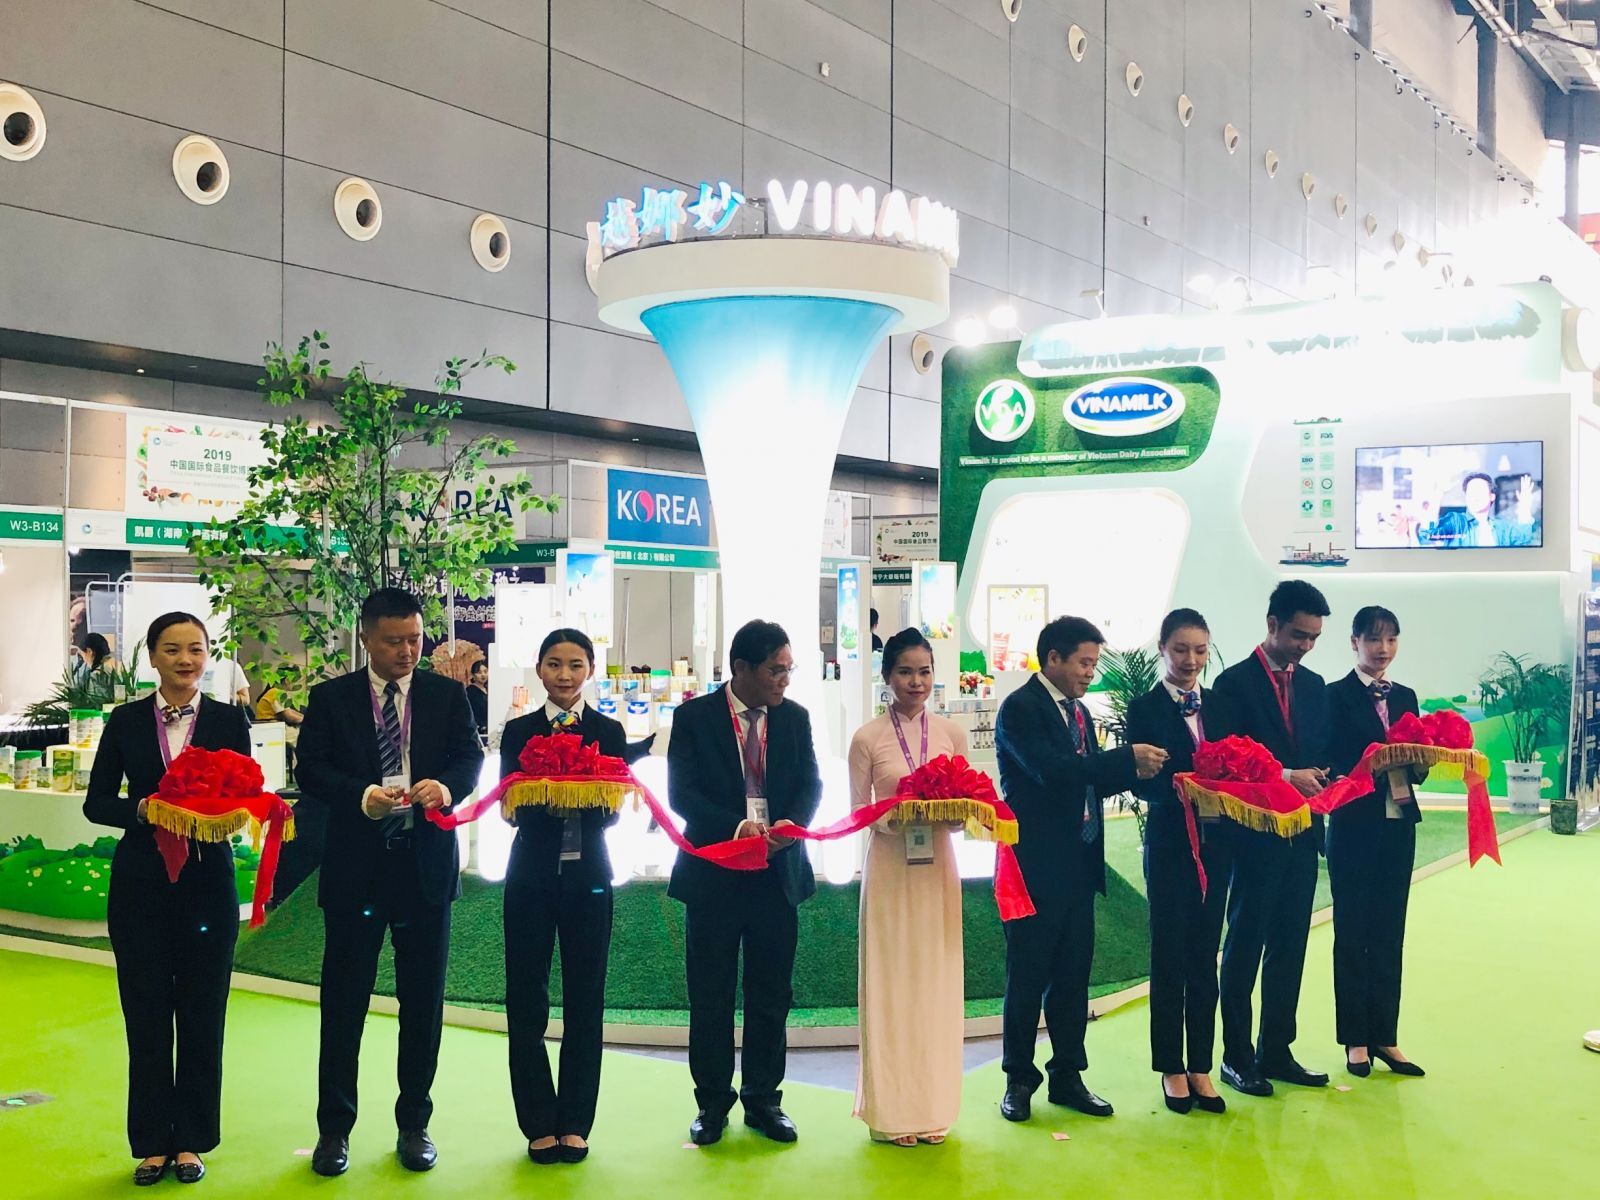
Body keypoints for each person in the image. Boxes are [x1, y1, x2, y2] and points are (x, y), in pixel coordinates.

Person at [295, 588, 484, 1177]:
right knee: (343, 1004)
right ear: (366, 638)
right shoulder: (331, 699)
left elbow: (470, 758)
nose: (407, 651)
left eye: (415, 639)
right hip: (356, 870)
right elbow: (311, 769)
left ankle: (414, 1125)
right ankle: (334, 1130)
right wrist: (361, 796)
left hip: (423, 868)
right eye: (394, 641)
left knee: (422, 1005)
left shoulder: (447, 695)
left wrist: (445, 788)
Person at [83, 611, 253, 1186]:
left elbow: (246, 795)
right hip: (141, 886)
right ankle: (153, 1142)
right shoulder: (126, 720)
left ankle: (192, 1141)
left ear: (208, 656)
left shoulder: (229, 720)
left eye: (196, 649)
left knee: (203, 1015)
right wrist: (143, 809)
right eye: (173, 649)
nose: (186, 660)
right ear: (153, 656)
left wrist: (217, 814)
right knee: (147, 1015)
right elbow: (96, 802)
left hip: (208, 885)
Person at [995, 616, 1166, 1123]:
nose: (1091, 673)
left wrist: (1139, 773)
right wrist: (1125, 759)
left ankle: (1067, 1075)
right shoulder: (1020, 708)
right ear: (1053, 658)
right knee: (1027, 978)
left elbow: (1088, 783)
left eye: (1093, 663)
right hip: (1034, 868)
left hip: (1078, 864)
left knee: (1073, 979)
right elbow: (1054, 772)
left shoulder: (1079, 712)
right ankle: (1018, 1080)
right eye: (1084, 663)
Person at [667, 619, 821, 1147]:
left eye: (789, 669)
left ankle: (763, 1100)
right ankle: (712, 1103)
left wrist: (790, 826)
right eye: (776, 670)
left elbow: (810, 783)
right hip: (714, 874)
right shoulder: (694, 717)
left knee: (771, 994)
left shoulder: (795, 718)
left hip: (777, 874)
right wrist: (736, 829)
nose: (785, 680)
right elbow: (682, 792)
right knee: (710, 995)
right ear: (741, 668)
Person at [499, 629, 624, 1165]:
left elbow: (614, 809)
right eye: (554, 663)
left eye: (575, 664)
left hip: (590, 876)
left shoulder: (609, 731)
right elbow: (510, 806)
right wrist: (548, 792)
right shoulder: (518, 731)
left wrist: (583, 793)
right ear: (539, 669)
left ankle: (575, 1121)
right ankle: (536, 1121)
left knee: (585, 1000)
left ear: (590, 669)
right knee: (526, 1000)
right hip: (529, 876)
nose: (565, 674)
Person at [1211, 579, 1332, 1098]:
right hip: (1253, 837)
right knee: (1244, 945)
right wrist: (1285, 775)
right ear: (1272, 624)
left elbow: (1321, 750)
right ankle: (1236, 1058)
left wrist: (1324, 775)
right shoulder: (1232, 685)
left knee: (1290, 945)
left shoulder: (1315, 685)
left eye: (1314, 638)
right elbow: (1224, 763)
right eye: (1299, 635)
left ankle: (1277, 1050)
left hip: (1302, 833)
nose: (1306, 646)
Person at [847, 628, 968, 1146]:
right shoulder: (867, 738)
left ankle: (934, 1106)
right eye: (904, 672)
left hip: (938, 869)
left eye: (924, 671)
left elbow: (967, 806)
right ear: (886, 676)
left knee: (937, 984)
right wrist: (896, 817)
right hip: (891, 870)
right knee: (892, 985)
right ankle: (892, 1113)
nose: (916, 682)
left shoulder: (951, 733)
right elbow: (858, 809)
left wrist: (953, 815)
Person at [1127, 609, 1232, 1115]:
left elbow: (1240, 768)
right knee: (1169, 955)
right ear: (1162, 649)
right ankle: (1171, 1066)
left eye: (1200, 650)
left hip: (1218, 847)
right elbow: (1140, 784)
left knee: (1205, 957)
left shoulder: (1221, 705)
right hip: (1170, 846)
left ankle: (1201, 1066)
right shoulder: (1144, 708)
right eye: (1181, 649)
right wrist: (1184, 787)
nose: (1191, 660)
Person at [1326, 605, 1427, 1079]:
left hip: (1399, 825)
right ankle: (1355, 1040)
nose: (1382, 649)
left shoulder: (1406, 696)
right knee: (1352, 933)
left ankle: (1385, 1035)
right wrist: (1371, 764)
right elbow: (1330, 764)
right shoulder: (1333, 696)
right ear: (1354, 642)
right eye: (1373, 639)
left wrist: (1420, 761)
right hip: (1353, 826)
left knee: (1390, 931)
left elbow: (1418, 768)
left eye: (1390, 639)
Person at [1425, 471, 1539, 547]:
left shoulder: (1503, 528)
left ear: (1492, 496)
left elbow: (1523, 539)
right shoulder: (1456, 522)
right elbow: (1428, 535)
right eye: (1471, 491)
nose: (1475, 496)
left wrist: (1525, 508)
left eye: (1479, 490)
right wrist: (1437, 496)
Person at [467, 660, 490, 739]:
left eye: (485, 671)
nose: (483, 675)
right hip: (478, 731)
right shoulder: (470, 691)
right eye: (479, 672)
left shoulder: (489, 689)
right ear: (473, 675)